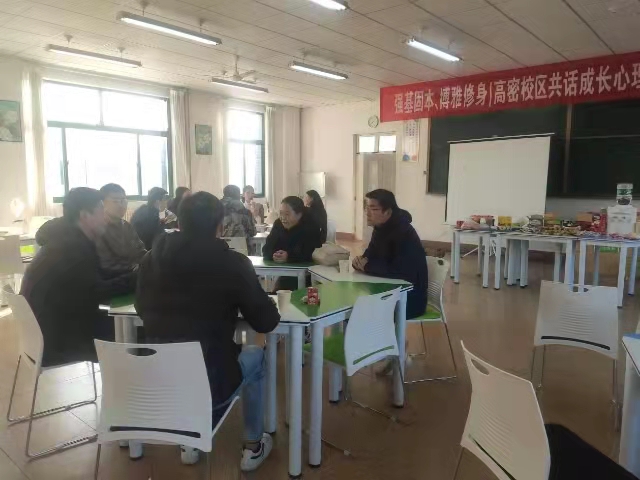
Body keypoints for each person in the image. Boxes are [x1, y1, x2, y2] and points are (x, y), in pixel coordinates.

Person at [135, 192, 279, 470]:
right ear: (220, 226)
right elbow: (266, 322)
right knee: (256, 355)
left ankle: (189, 440)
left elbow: (141, 308)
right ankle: (253, 445)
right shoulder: (233, 263)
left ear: (179, 223)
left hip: (159, 380)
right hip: (210, 379)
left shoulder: (150, 260)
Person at [21, 188, 136, 367]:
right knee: (136, 332)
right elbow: (98, 292)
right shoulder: (73, 249)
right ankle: (130, 381)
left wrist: (132, 274)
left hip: (47, 332)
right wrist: (136, 279)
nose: (105, 217)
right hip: (59, 340)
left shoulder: (64, 241)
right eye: (101, 210)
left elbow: (94, 278)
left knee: (123, 326)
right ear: (85, 215)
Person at [352, 189, 427, 320]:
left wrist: (367, 266)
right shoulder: (380, 227)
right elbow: (370, 255)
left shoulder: (403, 232)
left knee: (357, 311)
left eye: (373, 209)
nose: (367, 213)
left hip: (409, 299)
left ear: (388, 212)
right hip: (389, 290)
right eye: (366, 208)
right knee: (354, 304)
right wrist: (359, 262)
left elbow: (401, 271)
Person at [95, 183, 147, 279]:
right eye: (115, 201)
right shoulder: (98, 229)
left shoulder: (126, 226)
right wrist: (134, 268)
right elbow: (106, 265)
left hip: (134, 275)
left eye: (123, 200)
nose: (121, 205)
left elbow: (140, 251)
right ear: (102, 203)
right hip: (113, 280)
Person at [263, 196, 322, 265]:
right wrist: (274, 255)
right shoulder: (278, 224)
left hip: (305, 269)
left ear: (299, 214)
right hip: (280, 268)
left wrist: (289, 256)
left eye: (287, 214)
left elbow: (312, 253)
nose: (283, 218)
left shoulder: (311, 226)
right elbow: (266, 248)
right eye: (281, 213)